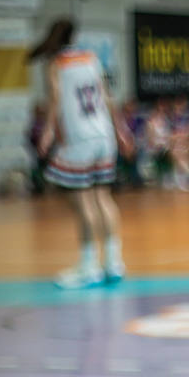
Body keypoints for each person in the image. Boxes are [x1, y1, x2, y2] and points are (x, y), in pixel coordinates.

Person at [28, 18, 132, 288]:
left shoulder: (57, 65)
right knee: (103, 197)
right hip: (104, 134)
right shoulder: (90, 57)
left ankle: (88, 267)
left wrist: (48, 131)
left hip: (79, 137)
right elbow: (107, 95)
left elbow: (55, 100)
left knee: (83, 201)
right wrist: (120, 129)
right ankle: (113, 262)